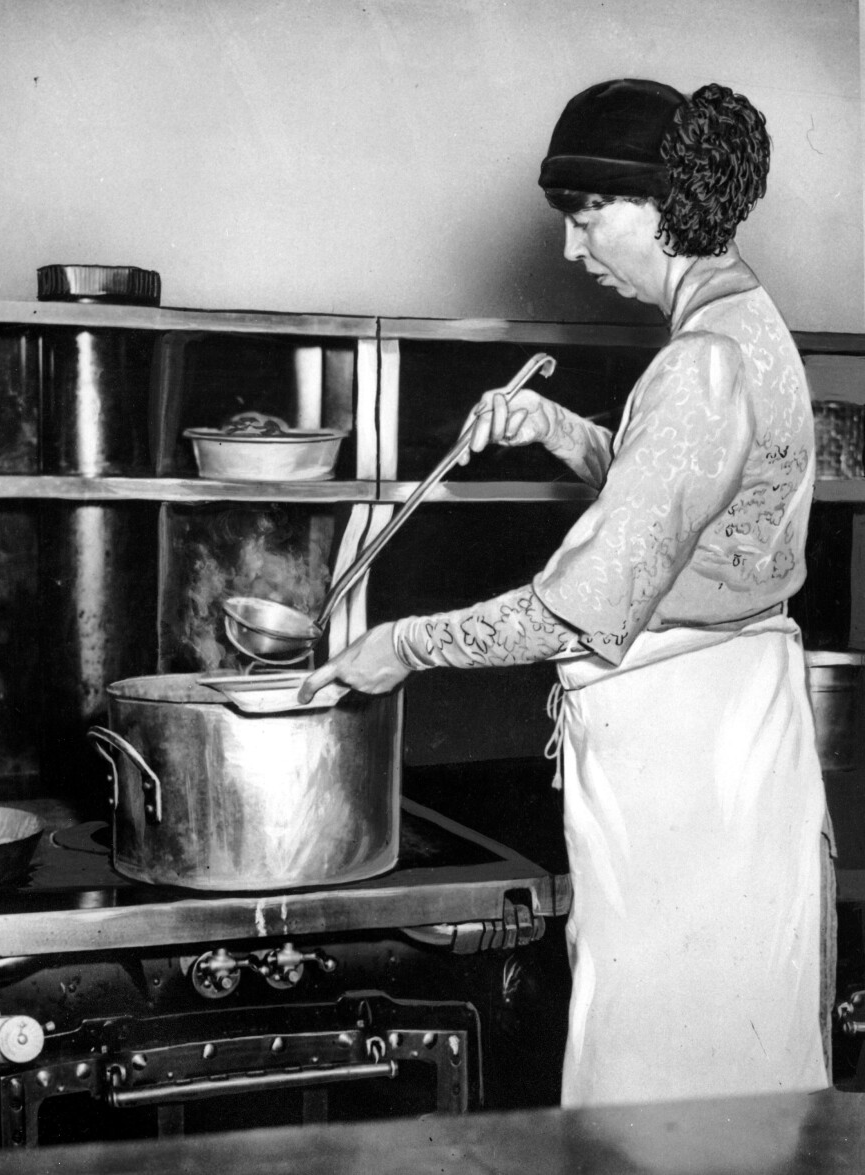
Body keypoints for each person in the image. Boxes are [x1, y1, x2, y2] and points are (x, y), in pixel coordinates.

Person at [300, 78, 833, 1107]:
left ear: (664, 205)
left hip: (684, 765)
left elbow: (567, 608)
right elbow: (689, 504)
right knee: (733, 1081)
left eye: (587, 214)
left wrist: (402, 644)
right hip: (726, 744)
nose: (571, 248)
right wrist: (558, 427)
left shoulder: (701, 360)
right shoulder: (744, 322)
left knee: (660, 1086)